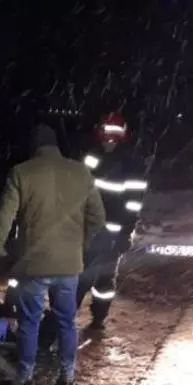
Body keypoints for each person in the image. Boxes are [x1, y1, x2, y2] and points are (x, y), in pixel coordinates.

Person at [0, 124, 106, 385]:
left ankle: (26, 379)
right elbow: (98, 218)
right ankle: (67, 379)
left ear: (33, 147)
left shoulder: (21, 173)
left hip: (34, 264)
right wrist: (79, 245)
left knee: (30, 322)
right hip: (69, 265)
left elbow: (2, 221)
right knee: (66, 321)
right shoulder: (80, 172)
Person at [76, 112, 148, 331]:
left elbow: (133, 202)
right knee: (86, 275)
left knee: (100, 278)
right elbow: (80, 187)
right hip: (91, 228)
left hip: (110, 231)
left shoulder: (131, 162)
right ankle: (70, 317)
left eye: (112, 136)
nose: (109, 141)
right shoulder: (95, 156)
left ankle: (97, 317)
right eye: (106, 135)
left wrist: (126, 231)